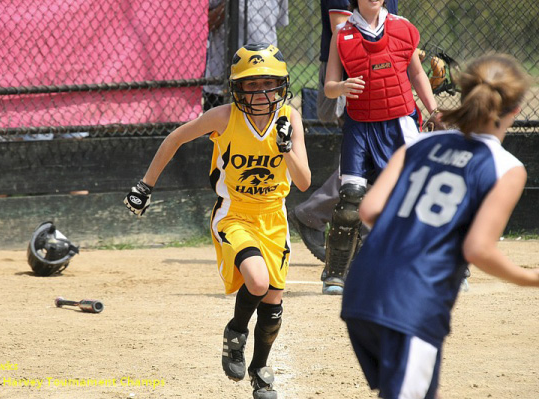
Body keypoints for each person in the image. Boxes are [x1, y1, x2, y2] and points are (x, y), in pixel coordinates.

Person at [340, 53, 537, 399]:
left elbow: (369, 209)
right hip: (412, 302)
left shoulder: (422, 142)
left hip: (362, 290)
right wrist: (533, 278)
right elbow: (478, 249)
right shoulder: (506, 167)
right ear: (515, 110)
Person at [124, 43, 310, 399]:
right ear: (238, 89)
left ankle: (260, 369)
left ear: (281, 85)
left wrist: (285, 149)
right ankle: (236, 332)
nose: (261, 93)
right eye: (251, 85)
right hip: (234, 213)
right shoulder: (224, 117)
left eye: (268, 83)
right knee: (257, 281)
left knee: (273, 301)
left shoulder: (290, 119)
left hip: (274, 218)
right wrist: (145, 185)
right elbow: (175, 138)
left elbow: (302, 182)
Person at [320, 0, 443, 295]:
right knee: (351, 198)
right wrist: (341, 88)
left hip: (399, 122)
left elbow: (416, 74)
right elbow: (329, 85)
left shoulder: (402, 28)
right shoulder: (343, 33)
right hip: (360, 124)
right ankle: (336, 272)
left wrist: (434, 110)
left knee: (416, 192)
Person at [289, 0, 399, 266]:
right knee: (369, 155)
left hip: (379, 76)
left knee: (379, 154)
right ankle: (316, 213)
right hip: (351, 78)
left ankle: (359, 227)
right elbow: (343, 30)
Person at [203, 0, 289, 111]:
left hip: (265, 75)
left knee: (262, 125)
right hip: (221, 77)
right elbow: (204, 24)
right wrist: (229, 5)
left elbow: (279, 21)